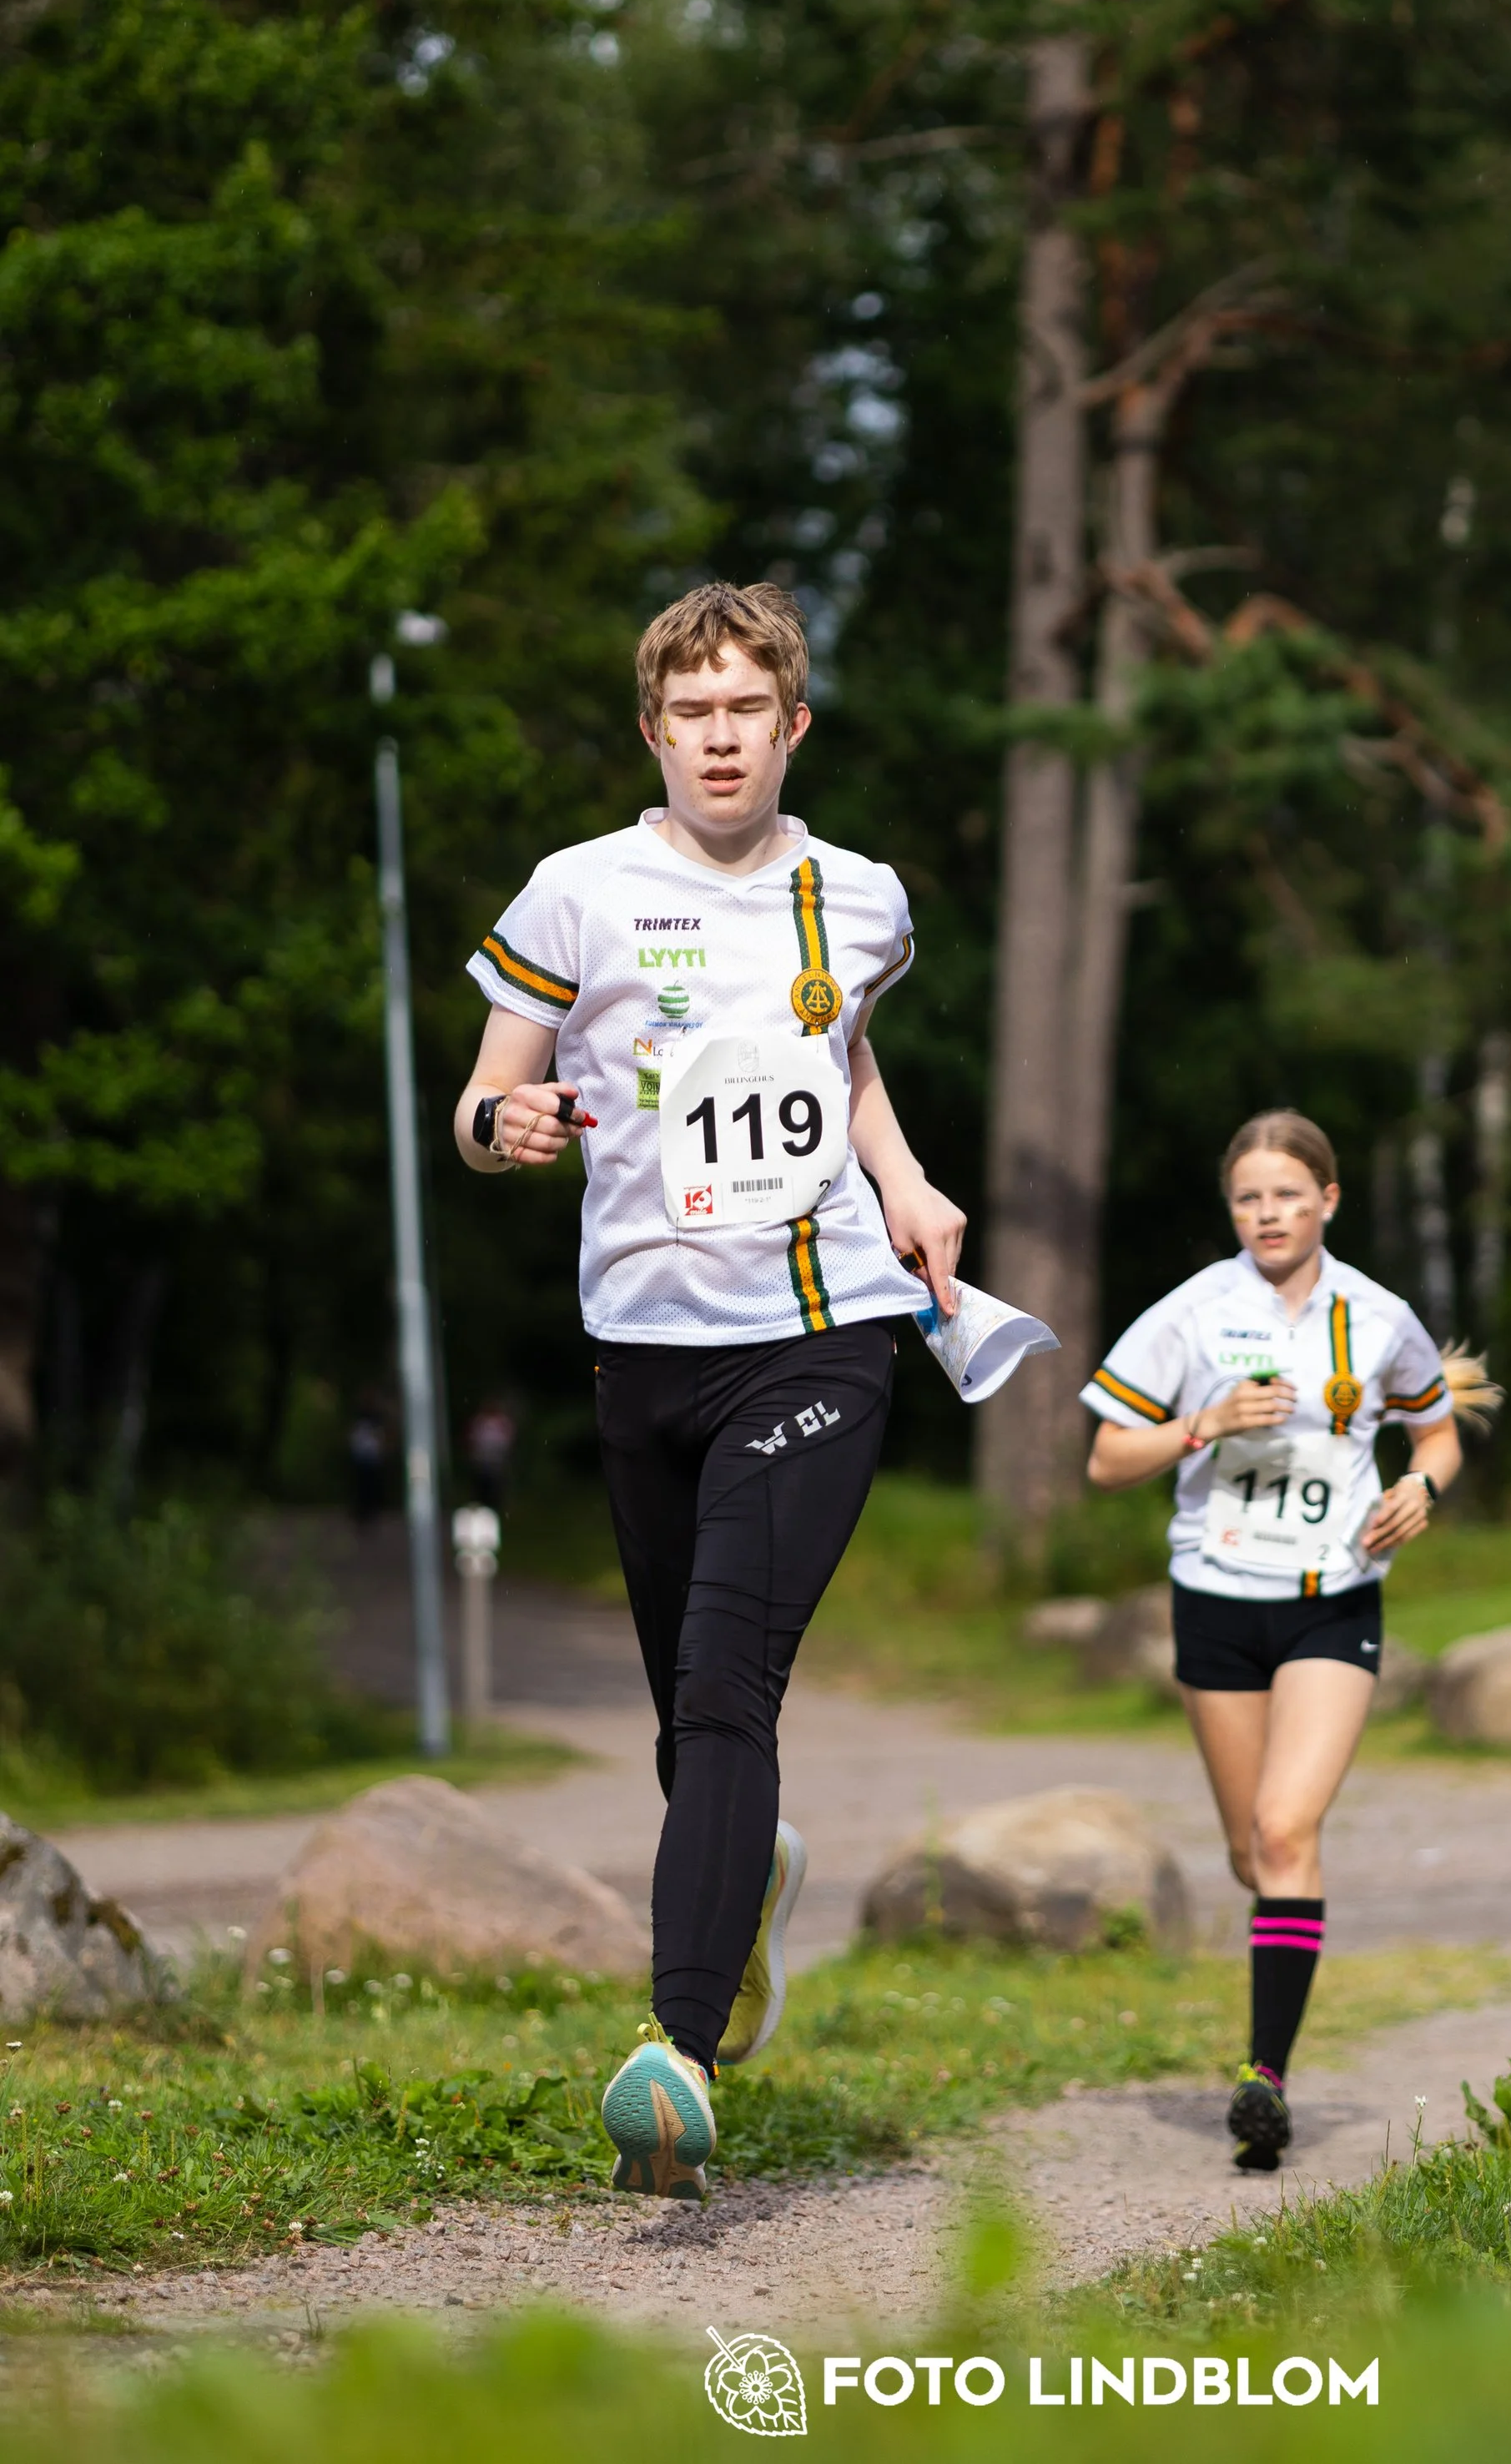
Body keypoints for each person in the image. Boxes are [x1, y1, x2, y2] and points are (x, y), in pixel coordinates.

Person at [452, 581, 965, 2200]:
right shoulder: (576, 893)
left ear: (792, 724)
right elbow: (483, 1096)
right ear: (652, 731)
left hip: (821, 1335)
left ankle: (677, 2053)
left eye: (749, 709)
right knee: (690, 1714)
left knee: (732, 1682)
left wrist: (905, 1183)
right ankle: (750, 1885)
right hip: (642, 1351)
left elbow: (843, 1053)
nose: (721, 738)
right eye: (693, 713)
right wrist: (504, 1129)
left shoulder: (858, 895)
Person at [1082, 1109, 1498, 2174]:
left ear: (1328, 1200)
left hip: (1332, 1599)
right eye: (1248, 1198)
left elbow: (1437, 1430)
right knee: (1249, 1851)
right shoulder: (1192, 1313)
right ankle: (1272, 1994)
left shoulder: (1379, 1315)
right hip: (1217, 1600)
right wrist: (1203, 1424)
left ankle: (1263, 2076)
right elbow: (1106, 1459)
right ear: (1232, 1209)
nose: (1267, 1214)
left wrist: (1420, 1486)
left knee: (1283, 1829)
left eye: (1287, 1195)